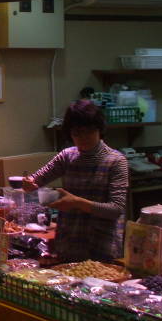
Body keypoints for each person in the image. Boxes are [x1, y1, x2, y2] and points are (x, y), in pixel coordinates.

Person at [23, 101, 129, 262]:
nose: (83, 138)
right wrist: (30, 182)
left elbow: (116, 209)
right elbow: (37, 178)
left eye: (88, 132)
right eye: (77, 133)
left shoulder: (115, 161)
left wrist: (77, 202)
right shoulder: (67, 156)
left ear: (99, 129)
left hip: (101, 245)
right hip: (69, 242)